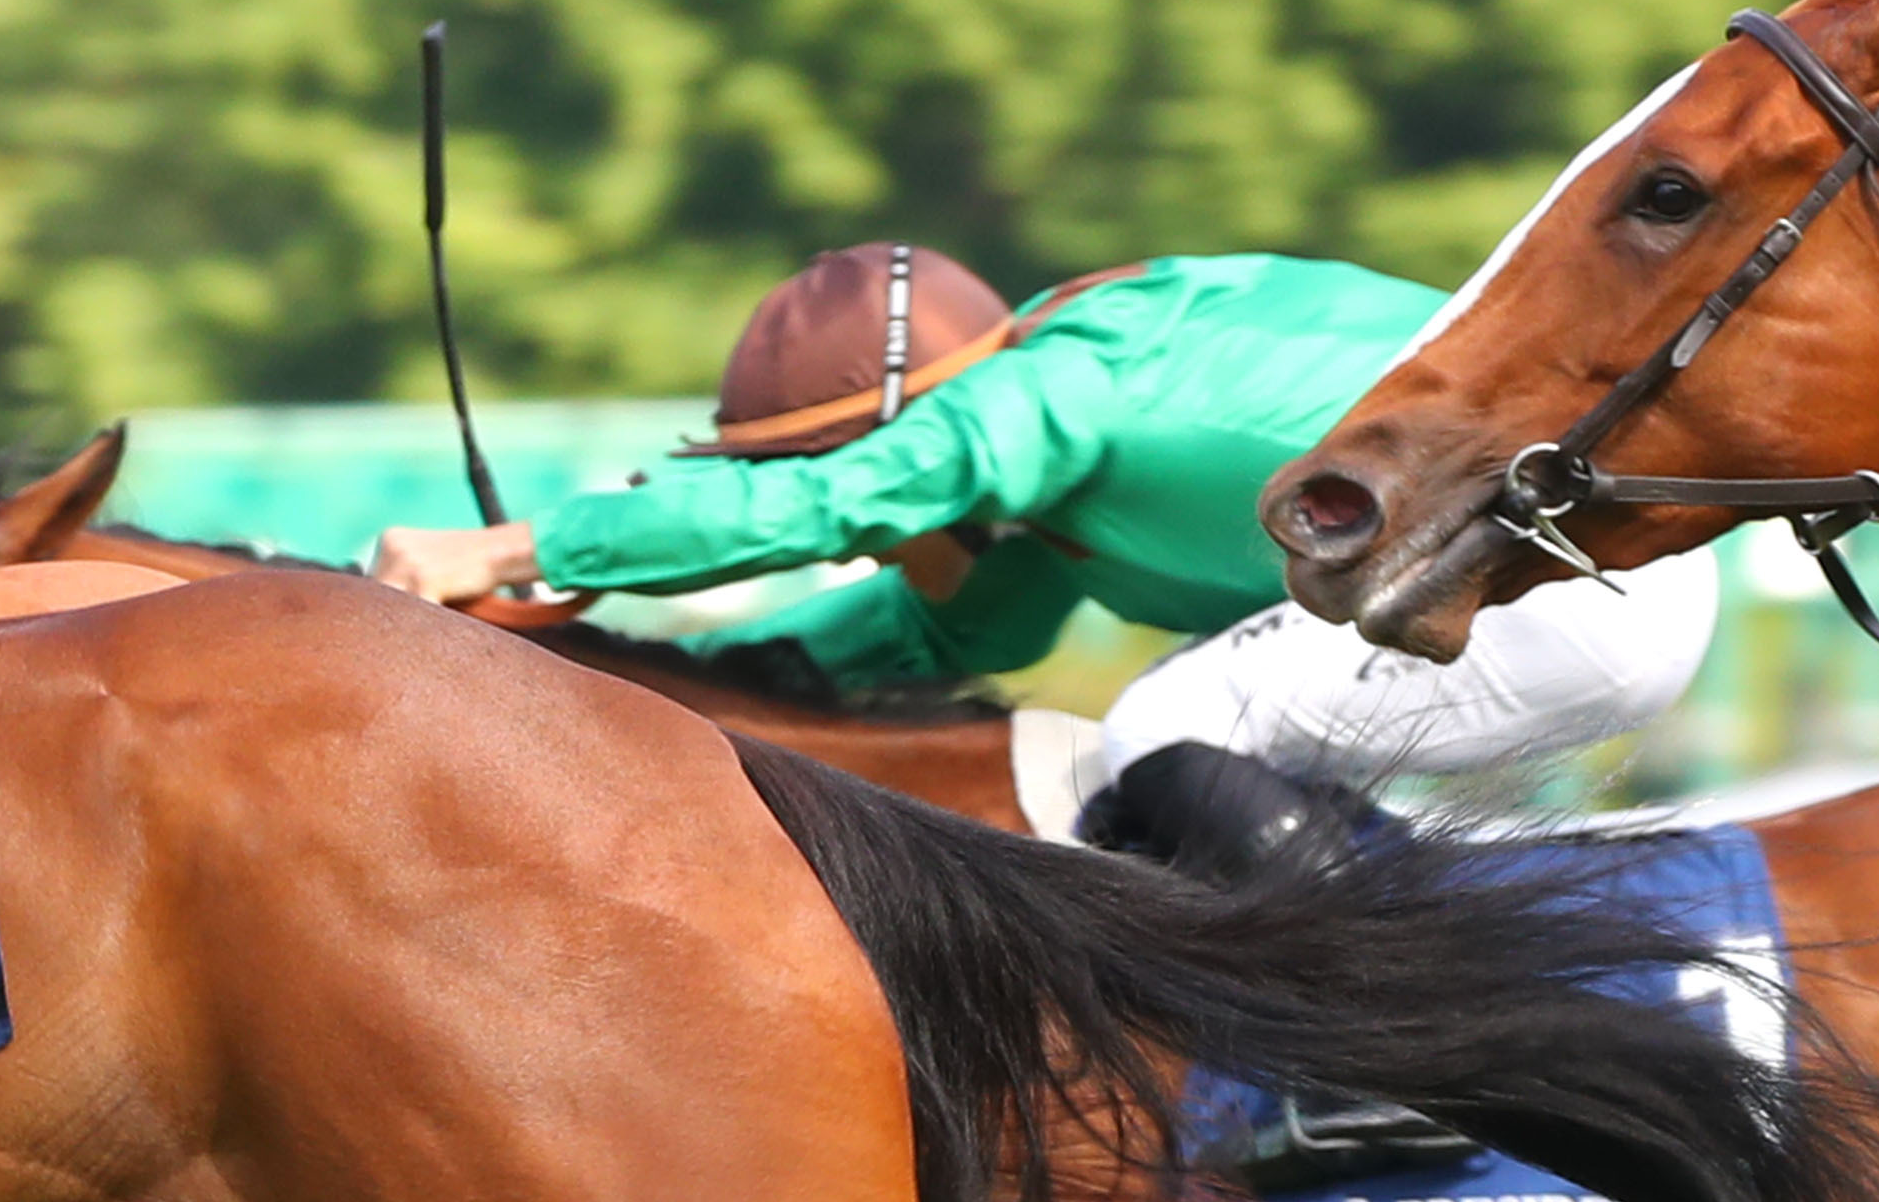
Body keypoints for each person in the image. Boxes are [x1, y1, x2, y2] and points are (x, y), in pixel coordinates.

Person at [366, 242, 1719, 875]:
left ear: (918, 419)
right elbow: (945, 639)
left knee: (1170, 728)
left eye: (879, 477)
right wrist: (615, 673)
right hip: (1552, 571)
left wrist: (519, 547)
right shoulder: (1073, 421)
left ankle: (1404, 1044)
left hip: (1563, 578)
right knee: (1186, 747)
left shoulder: (1050, 396)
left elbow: (832, 503)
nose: (877, 534)